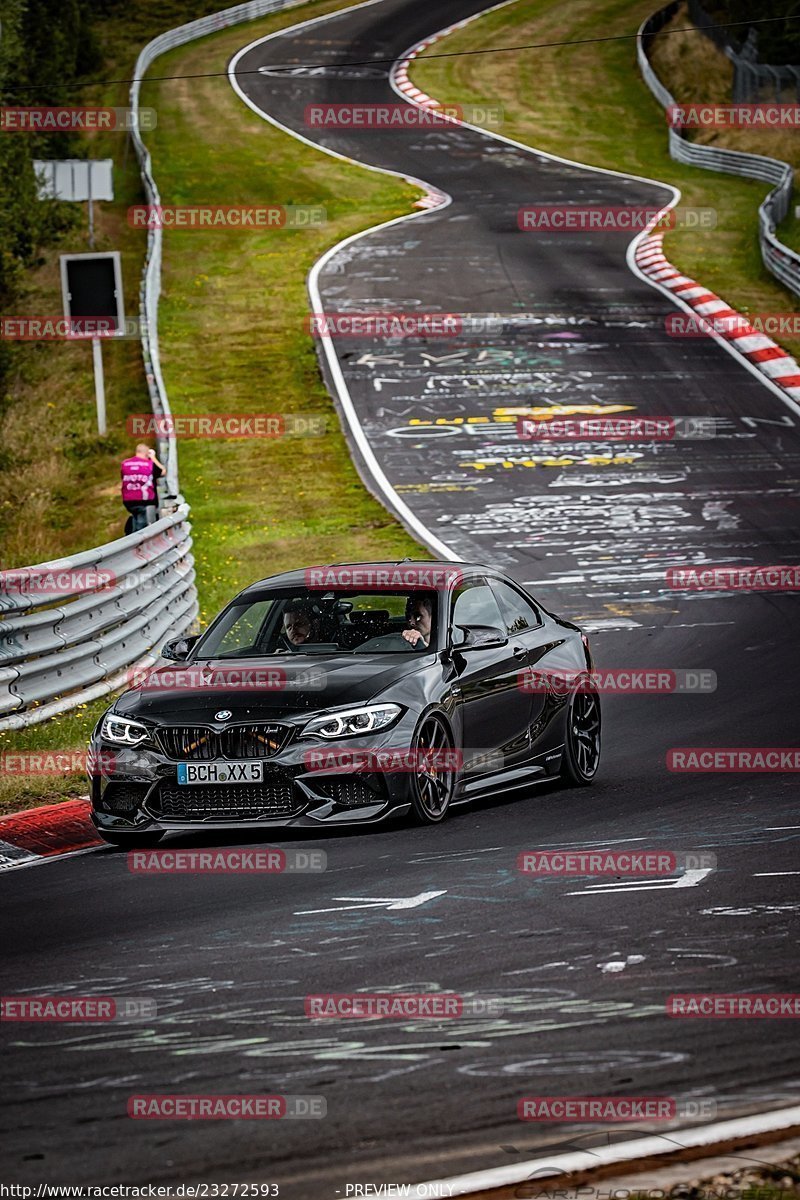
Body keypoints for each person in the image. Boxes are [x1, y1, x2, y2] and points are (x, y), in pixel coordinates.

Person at [121, 444, 165, 532]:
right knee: (142, 525)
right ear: (147, 453)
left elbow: (123, 477)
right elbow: (163, 471)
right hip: (144, 499)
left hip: (128, 499)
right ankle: (139, 543)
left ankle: (132, 537)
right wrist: (153, 458)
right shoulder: (148, 464)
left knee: (136, 517)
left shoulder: (125, 463)